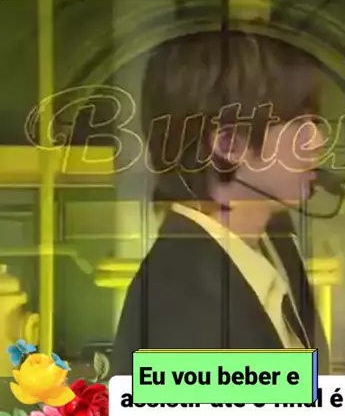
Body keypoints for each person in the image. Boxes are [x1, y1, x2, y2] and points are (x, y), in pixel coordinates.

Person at [111, 27, 329, 376]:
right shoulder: (183, 308)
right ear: (229, 144)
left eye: (316, 121)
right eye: (300, 122)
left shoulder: (272, 242)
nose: (317, 140)